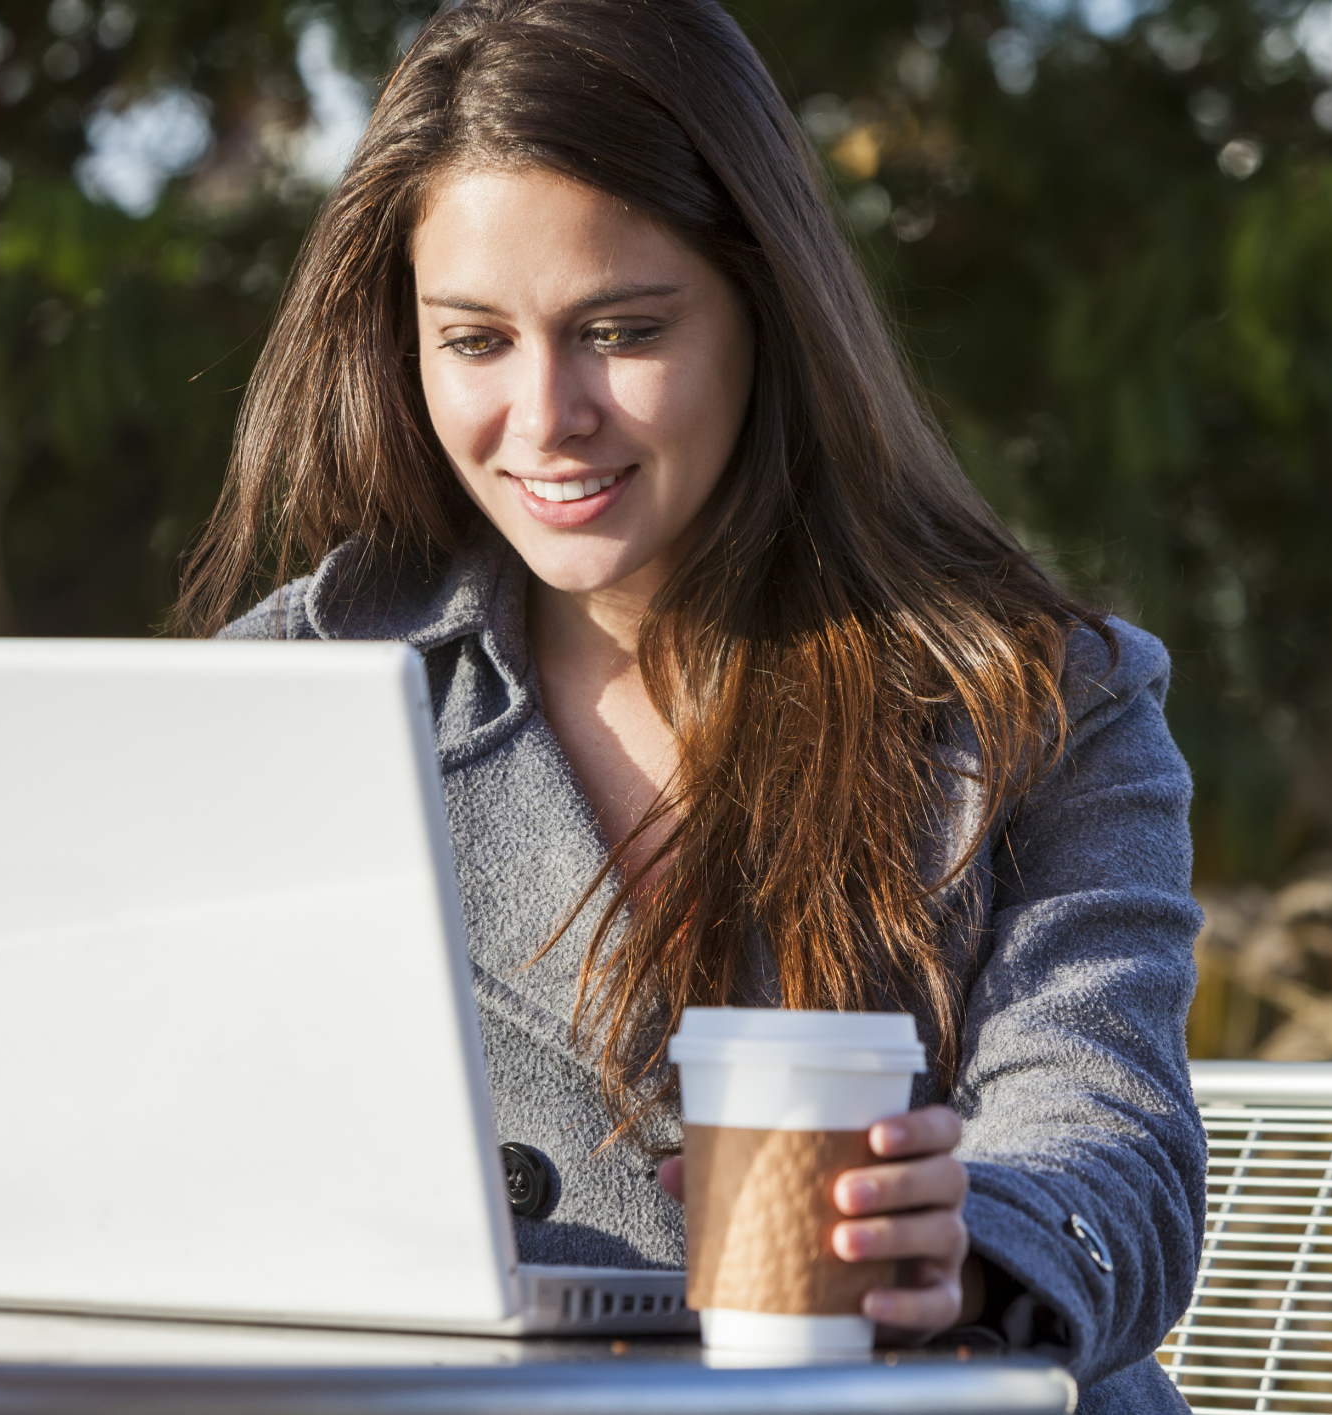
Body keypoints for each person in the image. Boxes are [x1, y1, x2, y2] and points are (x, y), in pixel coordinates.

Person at [178, 1, 1204, 1409]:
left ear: (763, 315)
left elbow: (1107, 1137)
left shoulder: (1026, 698)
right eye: (473, 341)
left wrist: (964, 1249)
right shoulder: (293, 695)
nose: (544, 417)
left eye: (618, 329)